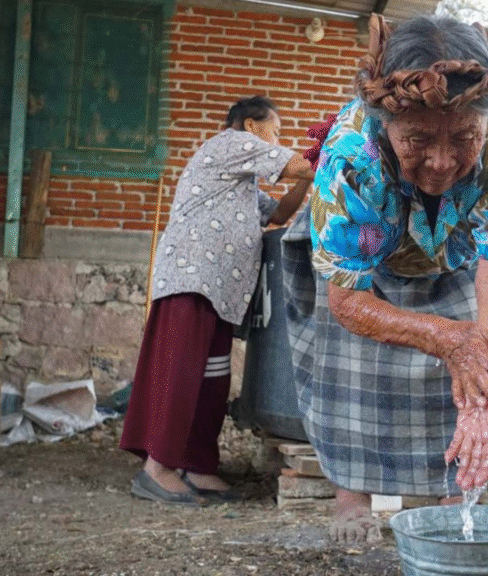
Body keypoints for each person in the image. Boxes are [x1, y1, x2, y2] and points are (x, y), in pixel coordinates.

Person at [281, 14, 488, 543]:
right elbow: (348, 303)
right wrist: (448, 339)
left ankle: (457, 502)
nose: (442, 162)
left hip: (454, 251)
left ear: (486, 122)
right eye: (418, 140)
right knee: (348, 376)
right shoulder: (354, 152)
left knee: (473, 374)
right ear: (387, 123)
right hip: (359, 263)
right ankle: (350, 501)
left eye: (465, 137)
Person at [120, 95, 315, 505]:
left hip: (219, 292)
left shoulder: (240, 184)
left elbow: (279, 213)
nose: (276, 140)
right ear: (250, 126)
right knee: (182, 372)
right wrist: (330, 152)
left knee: (211, 380)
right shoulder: (229, 143)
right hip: (193, 280)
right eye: (274, 131)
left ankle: (197, 464)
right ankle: (156, 468)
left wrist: (308, 178)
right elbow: (295, 163)